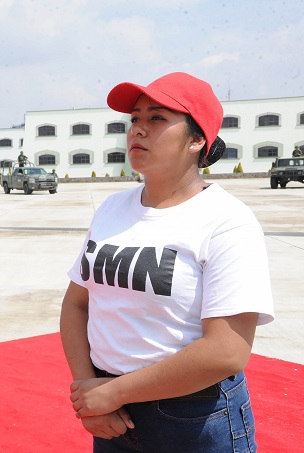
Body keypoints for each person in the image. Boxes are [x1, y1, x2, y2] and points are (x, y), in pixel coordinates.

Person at [60, 72, 275, 452]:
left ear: (196, 140)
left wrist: (111, 392)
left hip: (194, 420)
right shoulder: (112, 209)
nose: (138, 130)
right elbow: (77, 303)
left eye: (156, 119)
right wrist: (89, 393)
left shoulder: (226, 220)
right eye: (135, 119)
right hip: (111, 418)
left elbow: (226, 351)